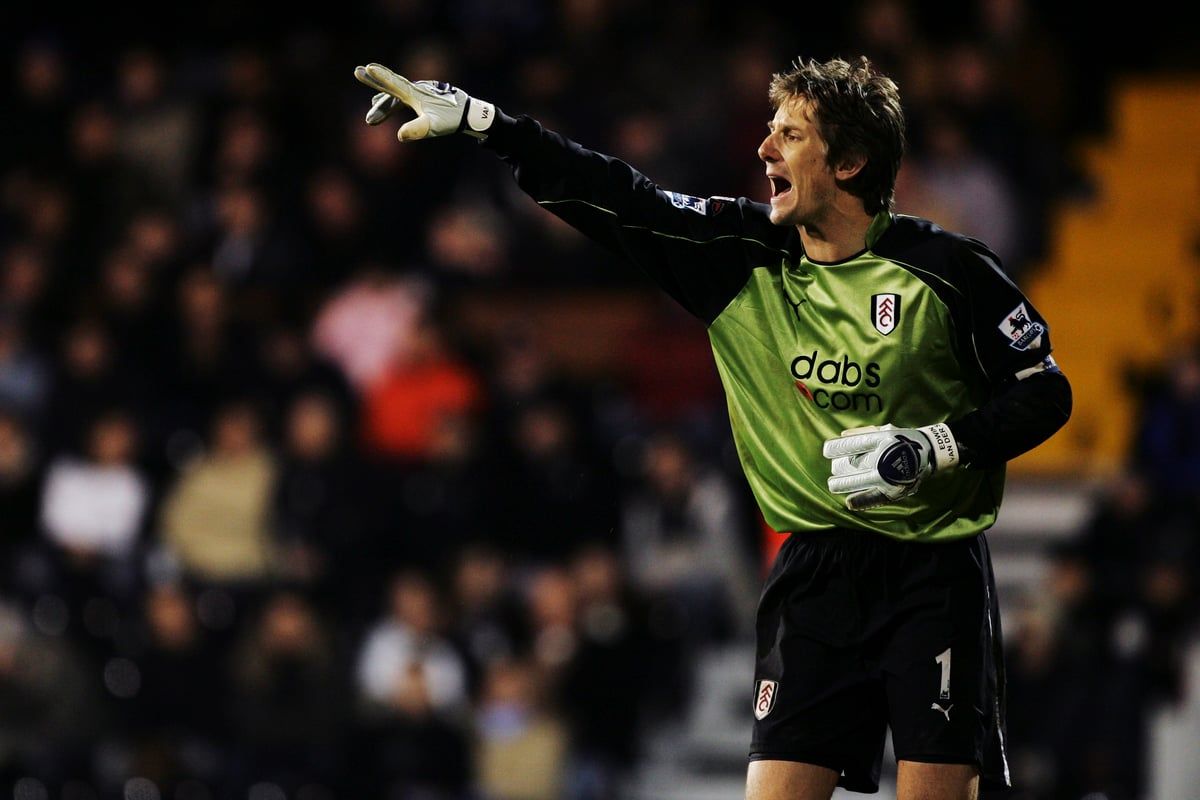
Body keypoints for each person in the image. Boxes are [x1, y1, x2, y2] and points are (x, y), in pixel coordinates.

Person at [352, 55, 1072, 800]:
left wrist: (936, 445)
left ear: (851, 162)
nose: (764, 149)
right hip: (814, 575)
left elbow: (1045, 392)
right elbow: (615, 196)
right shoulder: (738, 255)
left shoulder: (951, 272)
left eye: (790, 135)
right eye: (769, 130)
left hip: (934, 571)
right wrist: (488, 124)